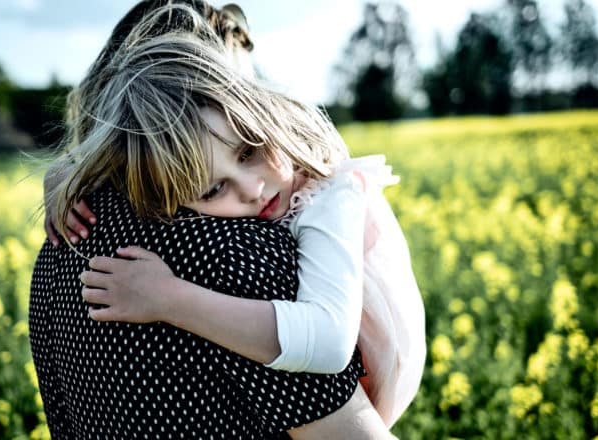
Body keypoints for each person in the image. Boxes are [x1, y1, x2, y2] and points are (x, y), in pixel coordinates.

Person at [55, 3, 426, 429]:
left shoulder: (330, 195)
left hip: (376, 370)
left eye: (249, 150)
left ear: (263, 109)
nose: (252, 189)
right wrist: (65, 180)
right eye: (213, 190)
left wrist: (168, 298)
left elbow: (328, 343)